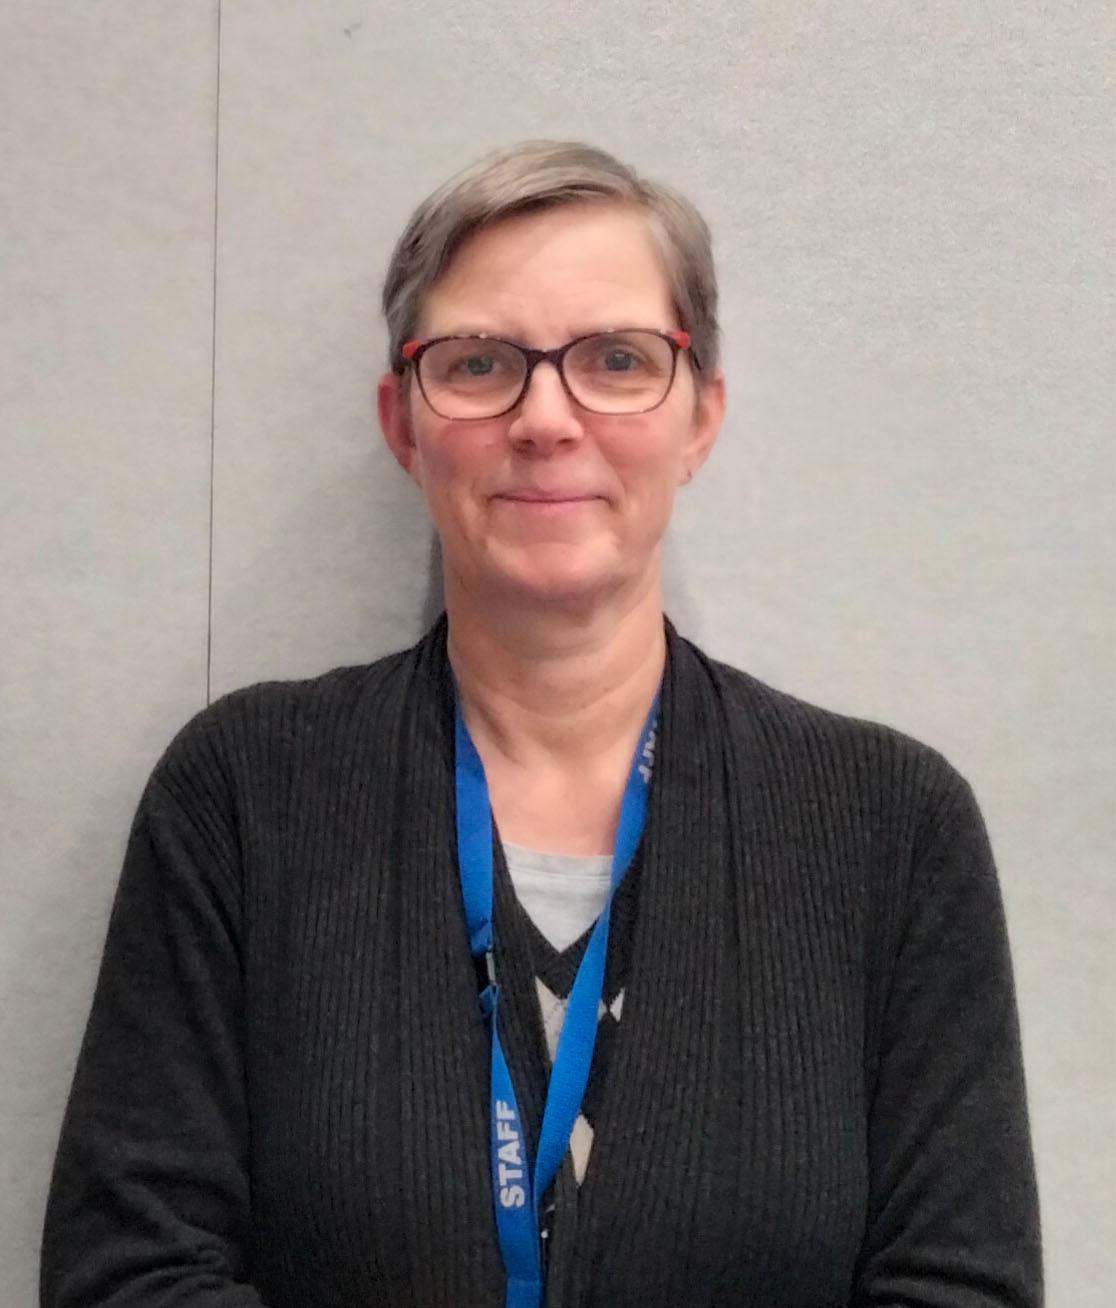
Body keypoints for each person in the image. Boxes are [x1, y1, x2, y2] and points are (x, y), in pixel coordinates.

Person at [40, 139, 1043, 1308]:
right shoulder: (247, 796)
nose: (546, 417)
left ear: (702, 417)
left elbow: (961, 1286)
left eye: (617, 360)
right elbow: (129, 1272)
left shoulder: (890, 829)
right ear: (403, 422)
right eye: (479, 363)